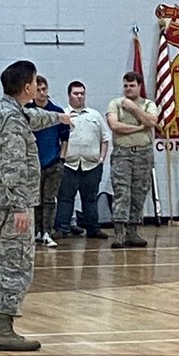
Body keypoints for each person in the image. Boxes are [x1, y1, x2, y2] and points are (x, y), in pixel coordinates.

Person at [0, 59, 72, 352]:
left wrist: (59, 119)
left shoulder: (4, 111)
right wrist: (21, 205)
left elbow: (33, 117)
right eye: (34, 82)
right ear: (28, 86)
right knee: (15, 264)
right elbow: (13, 165)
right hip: (11, 207)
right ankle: (4, 329)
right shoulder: (12, 121)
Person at [107, 71, 159, 249]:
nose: (128, 89)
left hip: (143, 154)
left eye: (132, 85)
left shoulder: (148, 104)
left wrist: (134, 108)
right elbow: (115, 126)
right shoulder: (115, 103)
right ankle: (119, 233)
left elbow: (152, 122)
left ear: (139, 86)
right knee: (122, 193)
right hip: (123, 154)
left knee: (139, 193)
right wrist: (139, 128)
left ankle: (132, 231)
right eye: (126, 85)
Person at [55, 80, 110, 240]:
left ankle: (93, 228)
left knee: (90, 198)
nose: (79, 96)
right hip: (68, 165)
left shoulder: (95, 115)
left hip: (92, 165)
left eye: (82, 93)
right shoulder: (63, 115)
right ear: (69, 95)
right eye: (75, 93)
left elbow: (105, 138)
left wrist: (101, 160)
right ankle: (62, 228)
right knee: (65, 198)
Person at [26, 75, 69, 249]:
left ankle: (47, 232)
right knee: (35, 199)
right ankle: (35, 230)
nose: (42, 93)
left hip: (53, 162)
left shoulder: (56, 111)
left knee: (50, 199)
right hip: (34, 163)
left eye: (44, 89)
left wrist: (62, 159)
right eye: (39, 90)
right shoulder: (28, 111)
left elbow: (64, 138)